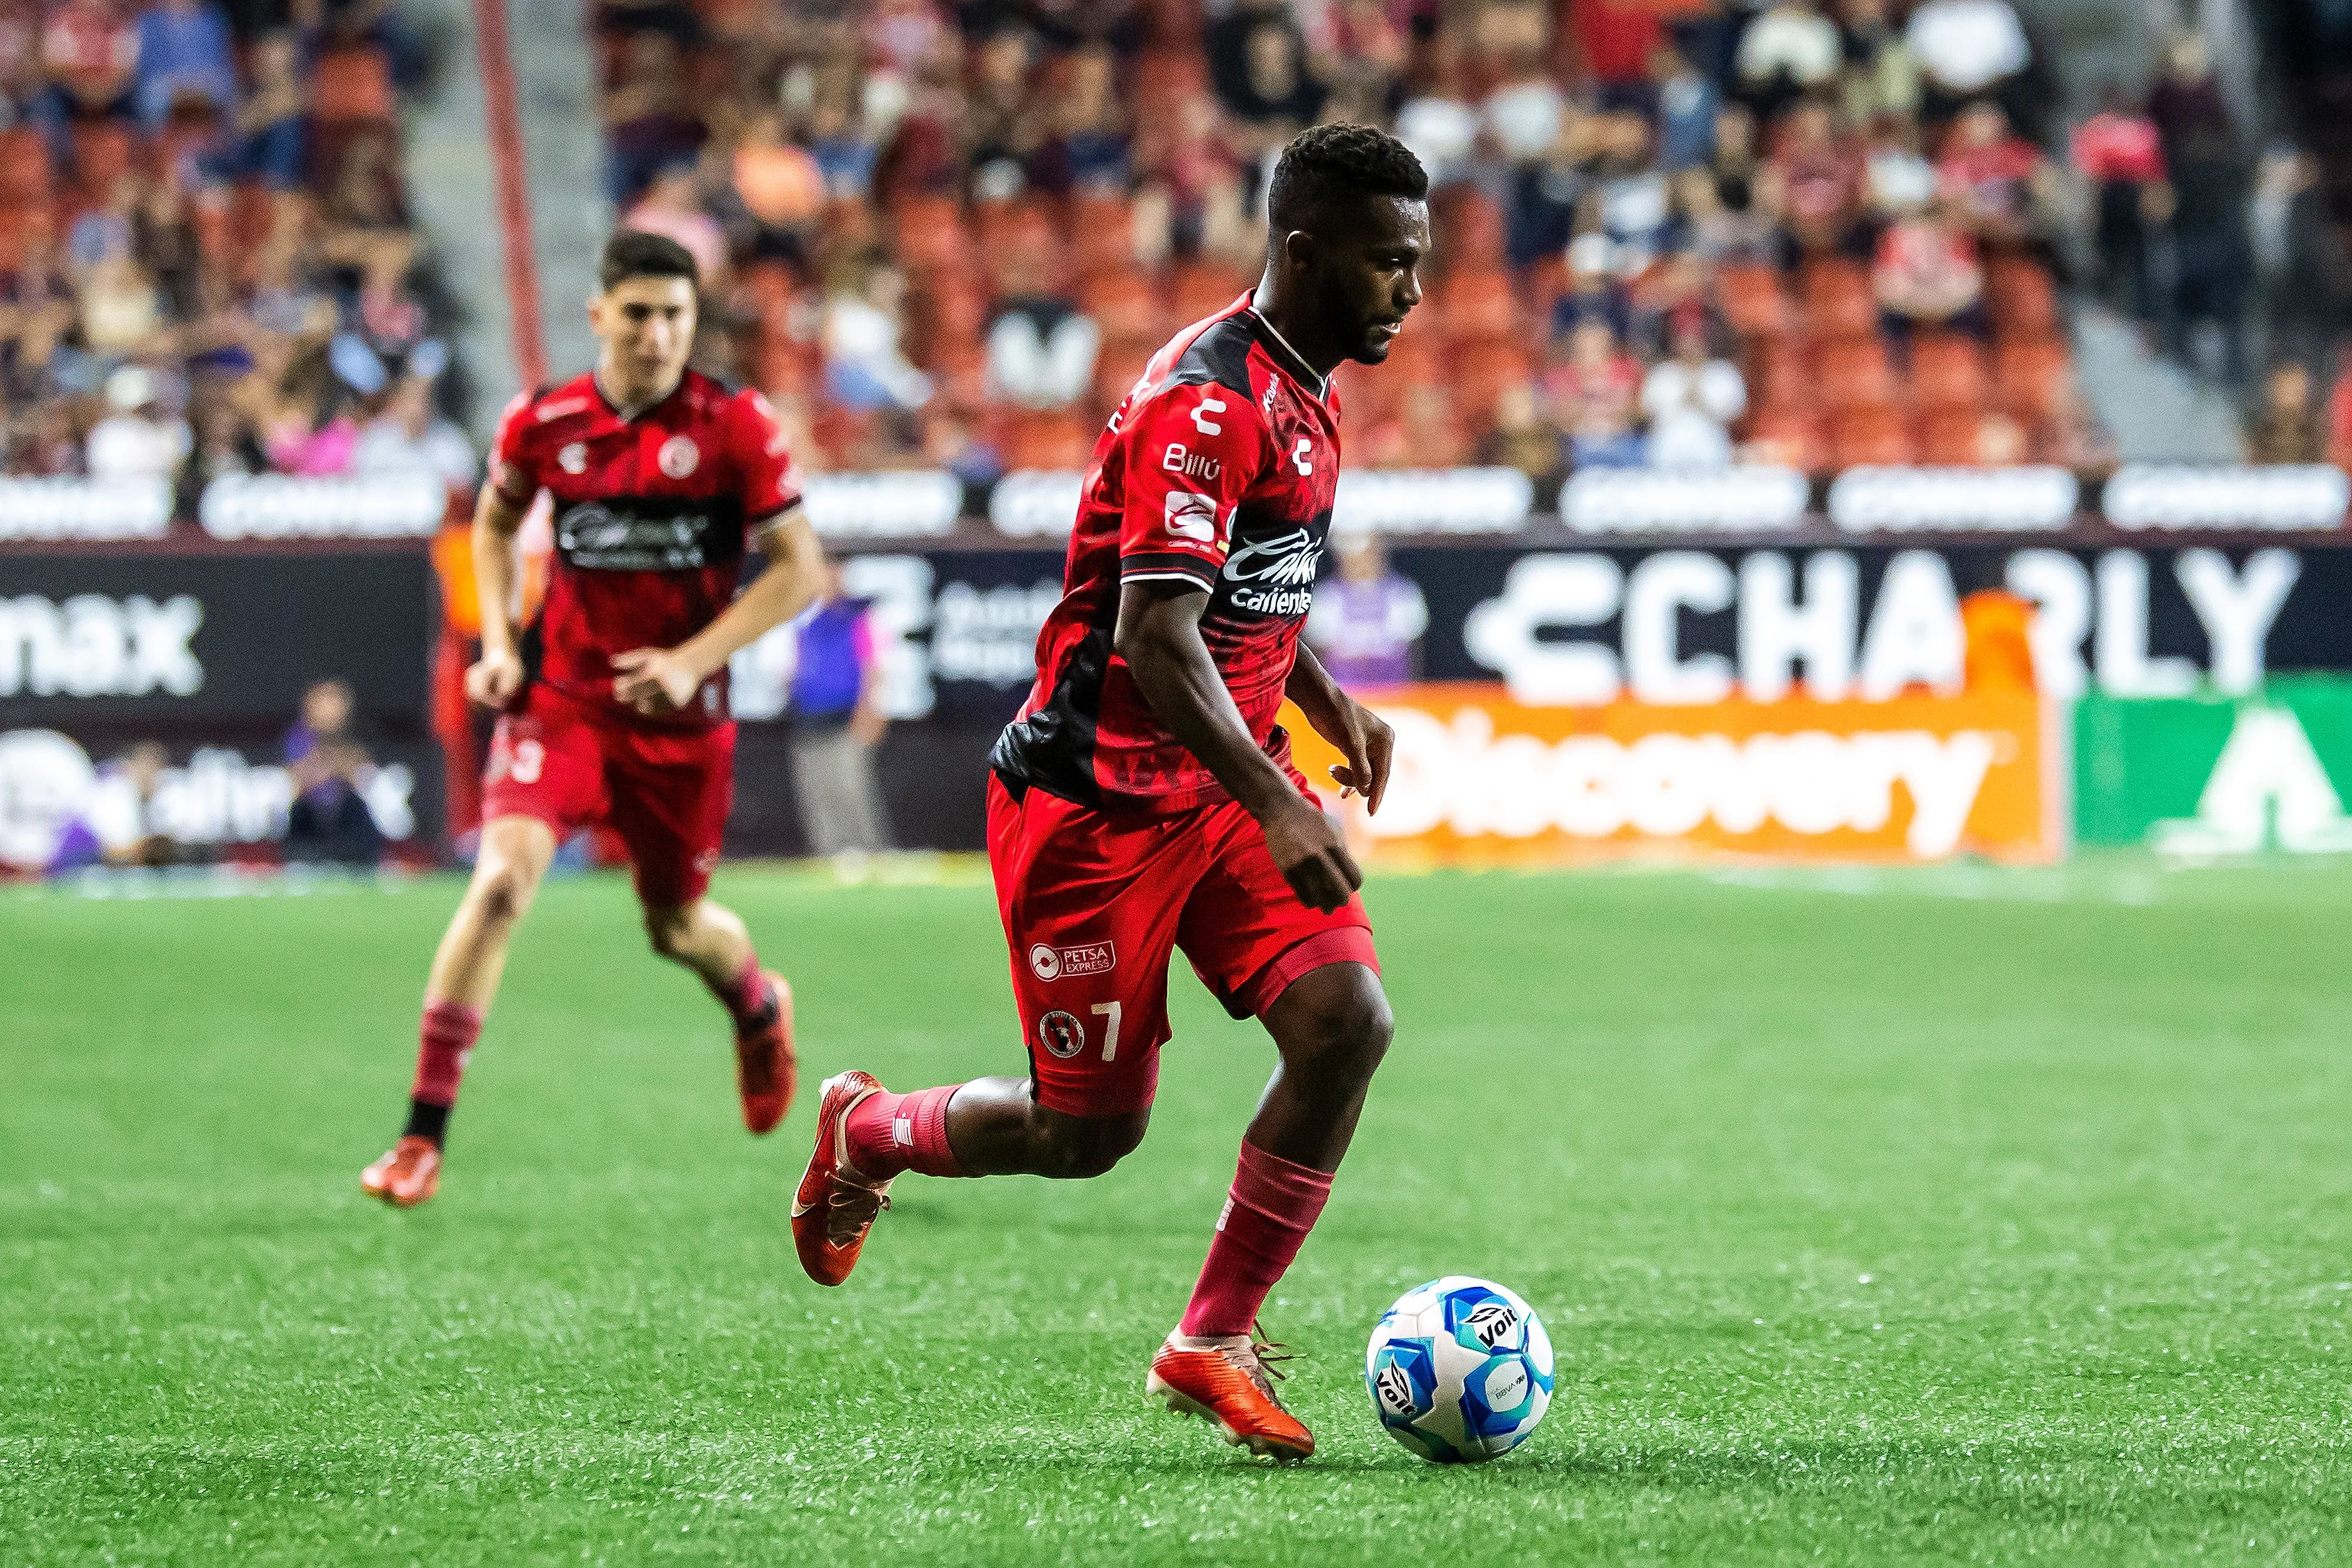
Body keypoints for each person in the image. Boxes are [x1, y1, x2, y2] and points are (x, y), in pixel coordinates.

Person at [789, 125, 1424, 1463]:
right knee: (1086, 1136)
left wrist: (1322, 704)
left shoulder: (1307, 386)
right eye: (1389, 265)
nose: (1413, 292)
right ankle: (869, 1129)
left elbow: (1247, 596)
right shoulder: (1209, 401)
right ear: (1305, 254)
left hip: (1214, 789)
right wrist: (1278, 799)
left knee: (1344, 1024)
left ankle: (1209, 1340)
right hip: (1094, 810)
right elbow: (1154, 634)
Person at [360, 231, 827, 1209]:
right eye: (640, 314)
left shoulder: (736, 424)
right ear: (600, 315)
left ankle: (755, 1004)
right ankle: (420, 1135)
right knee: (497, 886)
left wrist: (694, 659)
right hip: (563, 704)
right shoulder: (544, 420)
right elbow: (492, 522)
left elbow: (801, 572)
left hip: (683, 721)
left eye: (676, 317)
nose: (658, 334)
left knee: (677, 925)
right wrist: (498, 642)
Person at [789, 560, 891, 857]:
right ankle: (830, 854)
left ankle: (870, 852)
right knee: (816, 793)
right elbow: (795, 666)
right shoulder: (805, 620)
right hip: (808, 719)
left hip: (845, 719)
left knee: (851, 789)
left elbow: (872, 667)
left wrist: (869, 710)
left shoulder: (856, 617)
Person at [1305, 532, 1428, 691]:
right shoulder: (1327, 596)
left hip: (1394, 692)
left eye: (1368, 555)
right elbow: (1318, 654)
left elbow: (1414, 649)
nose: (1362, 564)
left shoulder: (1403, 593)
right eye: (1354, 557)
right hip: (1345, 693)